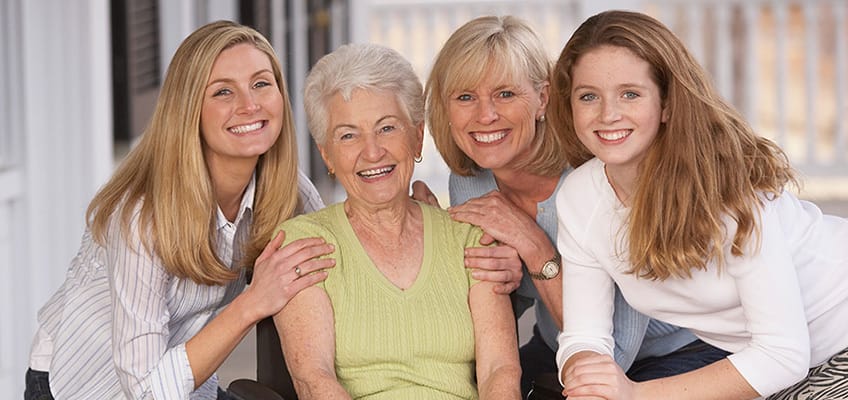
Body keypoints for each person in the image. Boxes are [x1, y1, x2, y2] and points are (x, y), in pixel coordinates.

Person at [415, 15, 729, 397]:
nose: (485, 115)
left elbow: (615, 353)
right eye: (465, 97)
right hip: (559, 347)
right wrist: (432, 253)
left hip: (676, 353)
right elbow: (489, 319)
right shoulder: (470, 180)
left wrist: (535, 248)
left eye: (505, 94)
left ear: (542, 99)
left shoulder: (598, 177)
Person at [24, 21, 335, 400]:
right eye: (223, 91)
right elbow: (145, 391)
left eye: (261, 84)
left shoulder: (285, 188)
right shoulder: (143, 216)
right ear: (189, 110)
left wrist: (413, 215)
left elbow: (334, 258)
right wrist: (252, 303)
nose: (249, 105)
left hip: (183, 382)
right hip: (88, 386)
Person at [552, 10, 848, 400]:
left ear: (668, 105)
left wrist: (633, 394)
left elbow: (782, 355)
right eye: (589, 96)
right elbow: (584, 335)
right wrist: (588, 377)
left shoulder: (724, 190)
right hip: (773, 364)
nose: (608, 114)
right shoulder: (578, 199)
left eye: (630, 94)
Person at [272, 43, 521, 399]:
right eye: (348, 135)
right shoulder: (304, 243)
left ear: (417, 137)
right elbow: (314, 379)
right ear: (327, 154)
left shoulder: (469, 238)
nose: (372, 151)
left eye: (387, 128)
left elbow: (501, 371)